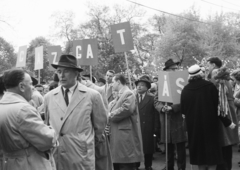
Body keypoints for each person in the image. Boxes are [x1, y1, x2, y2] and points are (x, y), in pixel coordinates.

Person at [43, 54, 108, 170]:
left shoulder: (92, 95)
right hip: (57, 155)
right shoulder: (49, 97)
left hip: (80, 156)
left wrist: (84, 144)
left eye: (66, 71)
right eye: (59, 71)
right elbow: (47, 125)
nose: (61, 75)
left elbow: (100, 128)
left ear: (77, 73)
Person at [0, 68, 57, 170]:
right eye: (31, 84)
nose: (33, 88)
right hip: (29, 163)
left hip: (9, 163)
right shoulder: (23, 109)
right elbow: (47, 140)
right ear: (21, 86)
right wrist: (51, 131)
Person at [181, 65, 235, 170]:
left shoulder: (185, 89)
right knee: (213, 155)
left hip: (194, 127)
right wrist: (228, 122)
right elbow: (218, 108)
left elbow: (183, 110)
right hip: (210, 126)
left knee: (199, 155)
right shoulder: (210, 86)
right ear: (201, 74)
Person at [154, 59, 187, 170]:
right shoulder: (161, 83)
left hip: (178, 120)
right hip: (166, 120)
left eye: (176, 69)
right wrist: (162, 108)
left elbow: (186, 101)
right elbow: (156, 101)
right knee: (168, 148)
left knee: (181, 148)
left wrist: (172, 108)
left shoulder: (182, 81)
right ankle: (169, 167)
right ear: (167, 70)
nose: (175, 71)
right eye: (173, 69)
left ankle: (181, 168)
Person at [109, 74, 143, 170]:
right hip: (120, 135)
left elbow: (126, 109)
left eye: (113, 82)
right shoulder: (121, 94)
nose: (112, 84)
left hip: (125, 135)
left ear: (118, 82)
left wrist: (110, 115)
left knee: (126, 164)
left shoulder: (128, 93)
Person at [211, 67, 239, 170]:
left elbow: (220, 106)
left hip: (224, 115)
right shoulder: (226, 83)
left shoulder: (221, 85)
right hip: (229, 115)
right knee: (227, 148)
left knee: (224, 146)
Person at [135, 75, 158, 170]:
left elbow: (156, 115)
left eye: (142, 85)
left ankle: (148, 165)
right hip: (136, 125)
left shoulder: (152, 98)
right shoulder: (132, 97)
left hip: (148, 126)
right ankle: (136, 165)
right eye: (138, 85)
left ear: (147, 87)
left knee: (148, 147)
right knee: (136, 146)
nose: (139, 87)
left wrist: (156, 128)